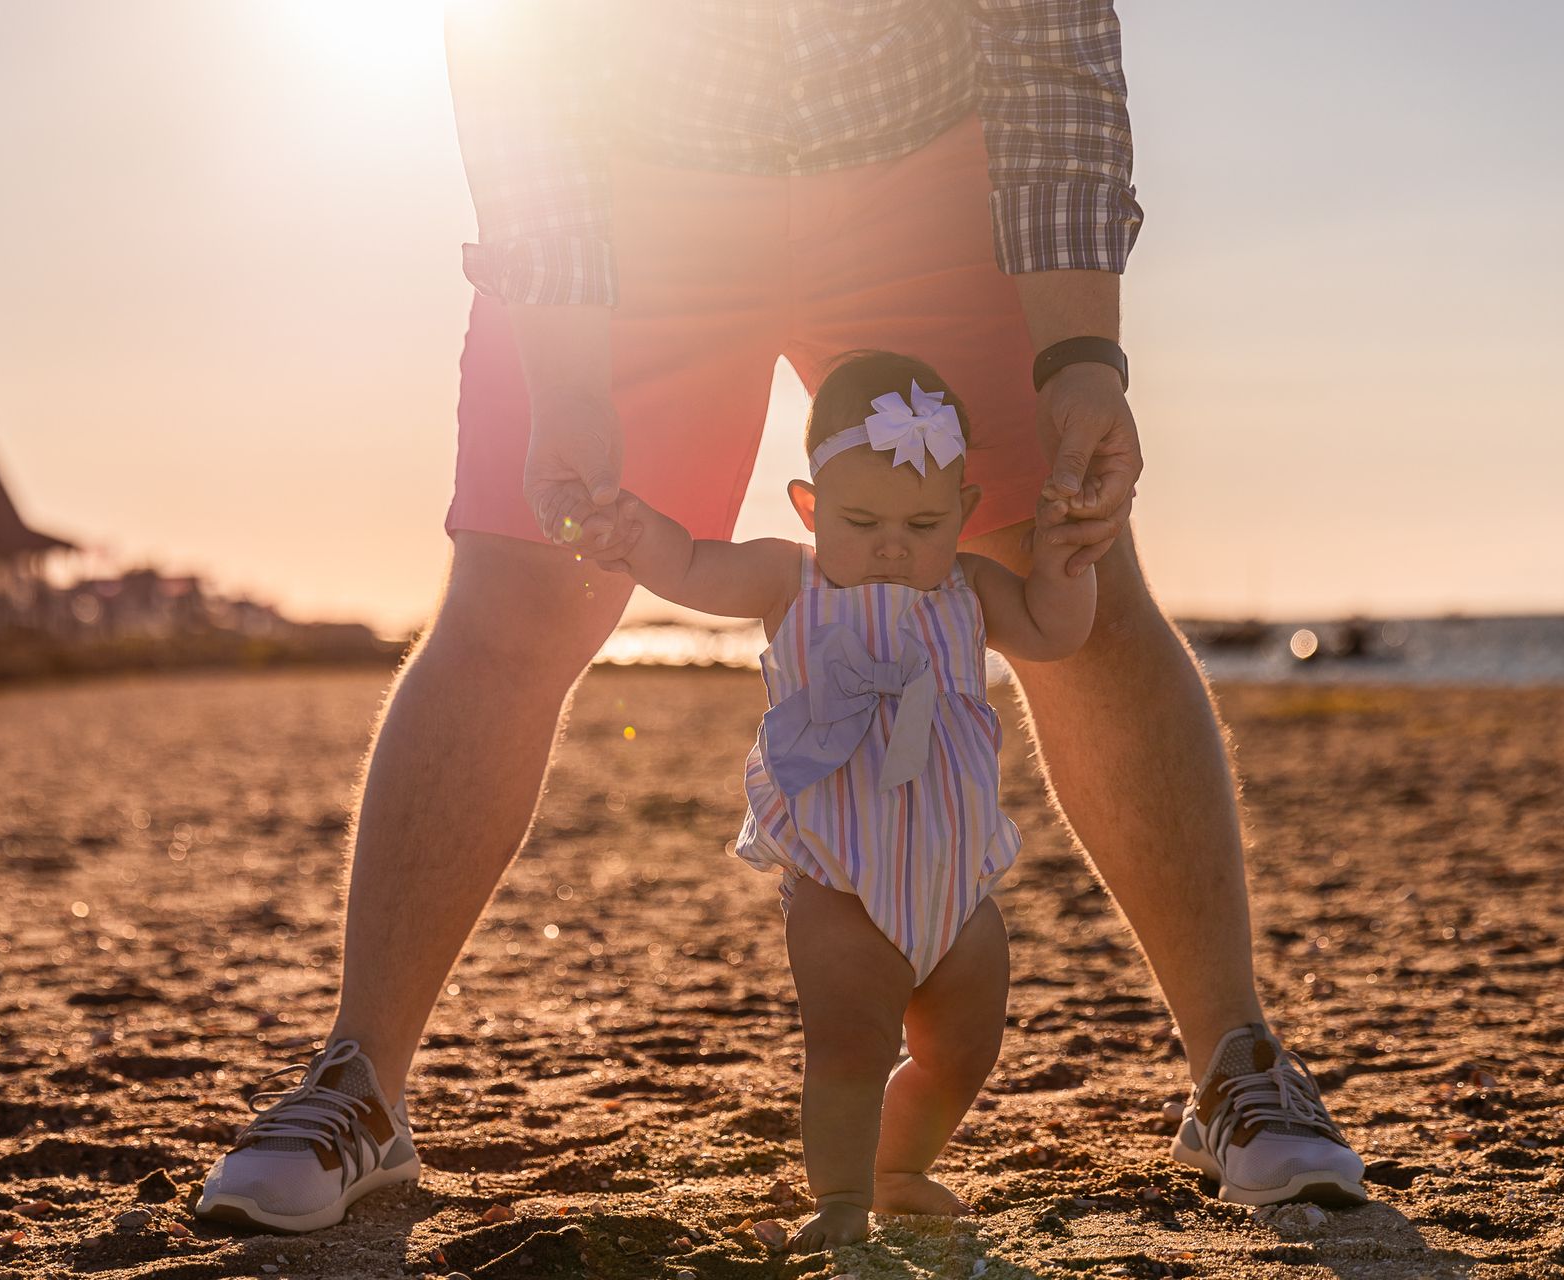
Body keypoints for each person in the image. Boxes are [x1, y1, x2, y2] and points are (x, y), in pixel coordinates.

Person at [194, 1, 1367, 1234]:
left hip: (928, 166)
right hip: (637, 180)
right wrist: (565, 360)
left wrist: (1084, 352)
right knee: (519, 595)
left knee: (1079, 568)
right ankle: (360, 1081)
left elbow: (1048, 28)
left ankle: (1237, 1060)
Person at [590, 350, 1095, 1249]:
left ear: (965, 517)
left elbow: (1057, 632)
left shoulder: (969, 589)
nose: (895, 542)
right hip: (841, 885)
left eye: (924, 521)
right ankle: (839, 1202)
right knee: (850, 1051)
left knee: (963, 1050)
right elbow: (696, 567)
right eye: (862, 520)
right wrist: (638, 535)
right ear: (811, 509)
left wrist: (1064, 563)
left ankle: (899, 1167)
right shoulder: (795, 580)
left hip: (957, 885)